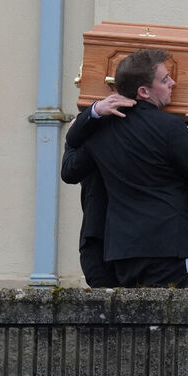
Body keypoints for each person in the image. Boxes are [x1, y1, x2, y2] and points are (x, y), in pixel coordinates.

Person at [62, 48, 188, 288]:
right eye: (165, 79)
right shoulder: (169, 127)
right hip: (168, 248)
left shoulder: (100, 129)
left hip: (122, 251)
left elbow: (70, 168)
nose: (173, 83)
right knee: (173, 322)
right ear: (144, 91)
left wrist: (92, 114)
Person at [60, 92, 136, 287]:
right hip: (98, 235)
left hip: (138, 240)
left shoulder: (146, 126)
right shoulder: (89, 128)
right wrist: (89, 120)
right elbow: (69, 172)